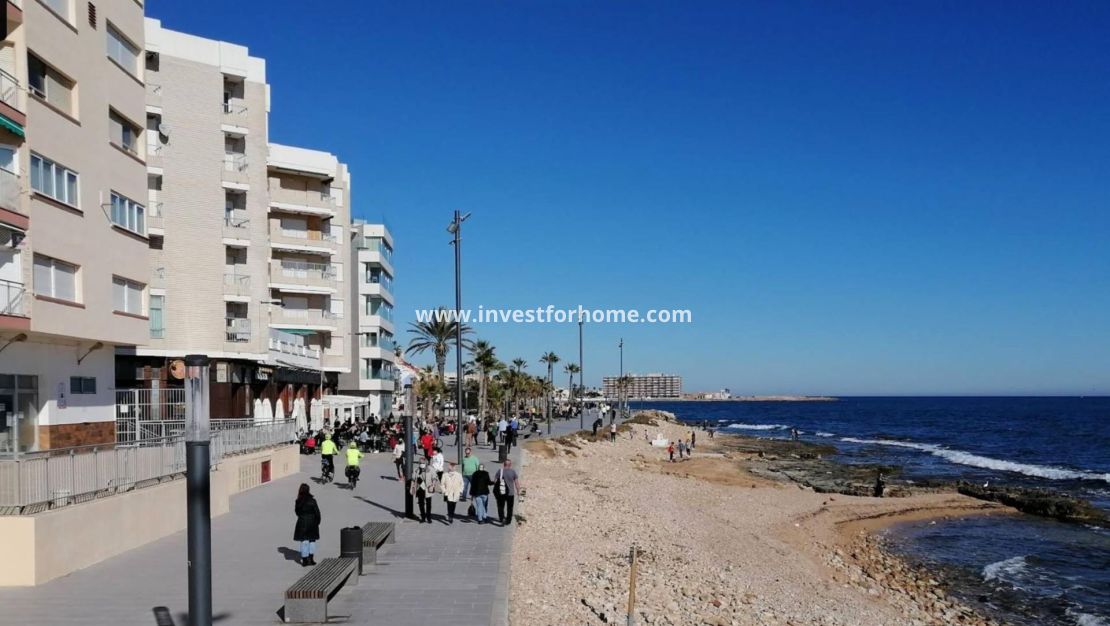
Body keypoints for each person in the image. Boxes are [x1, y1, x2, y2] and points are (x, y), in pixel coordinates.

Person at [293, 483, 321, 567]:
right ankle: (311, 559)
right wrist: (317, 522)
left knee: (304, 541)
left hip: (302, 522)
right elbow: (317, 513)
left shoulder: (298, 501)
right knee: (312, 540)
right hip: (312, 522)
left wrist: (302, 517)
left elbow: (297, 512)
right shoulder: (312, 500)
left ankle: (304, 560)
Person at [493, 459, 521, 526]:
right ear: (510, 465)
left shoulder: (500, 471)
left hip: (501, 492)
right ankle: (508, 520)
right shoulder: (513, 472)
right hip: (510, 493)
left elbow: (494, 481)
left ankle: (502, 518)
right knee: (510, 507)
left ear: (504, 464)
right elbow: (516, 483)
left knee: (500, 506)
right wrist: (518, 491)